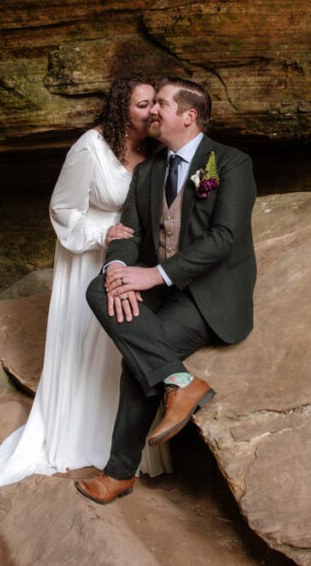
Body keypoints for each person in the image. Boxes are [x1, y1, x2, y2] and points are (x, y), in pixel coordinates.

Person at [0, 75, 170, 528]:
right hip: (89, 257)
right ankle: (80, 441)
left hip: (132, 262)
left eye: (156, 103)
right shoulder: (90, 148)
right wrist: (103, 233)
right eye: (142, 104)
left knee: (121, 353)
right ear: (121, 107)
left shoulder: (156, 153)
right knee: (89, 348)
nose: (151, 111)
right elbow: (62, 209)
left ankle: (121, 449)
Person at [74, 77, 257, 504]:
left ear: (188, 116)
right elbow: (128, 230)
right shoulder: (151, 169)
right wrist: (120, 267)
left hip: (207, 293)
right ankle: (181, 381)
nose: (151, 110)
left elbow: (224, 237)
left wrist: (153, 276)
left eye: (161, 103)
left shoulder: (230, 163)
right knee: (99, 290)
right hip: (161, 290)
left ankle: (118, 474)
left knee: (137, 364)